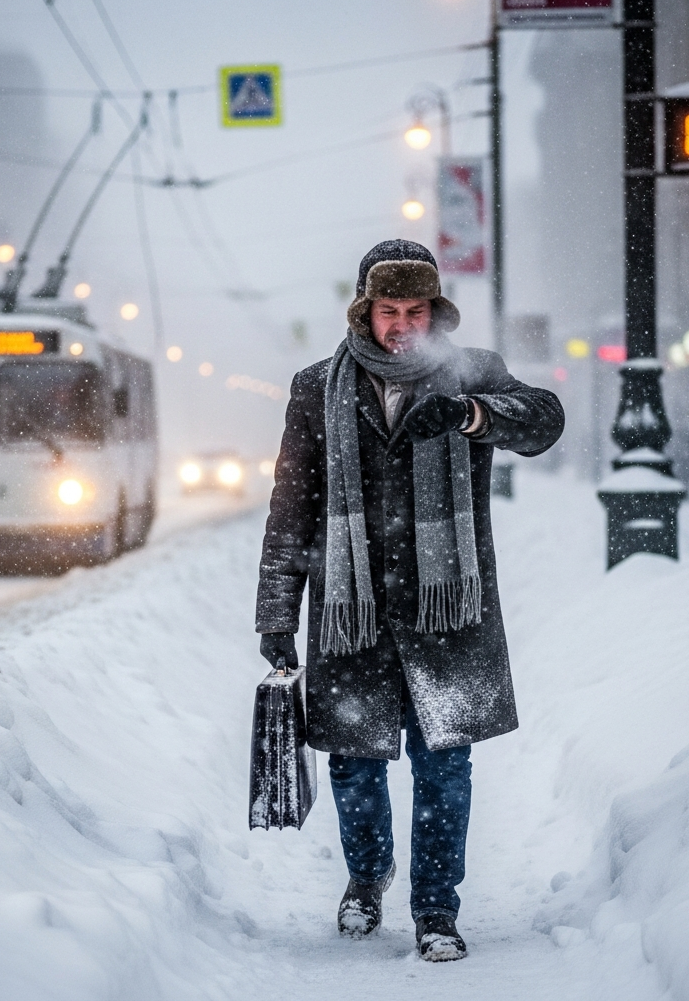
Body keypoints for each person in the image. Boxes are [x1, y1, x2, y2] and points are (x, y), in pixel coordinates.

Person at [255, 240, 564, 962]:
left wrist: (469, 415)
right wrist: (276, 612)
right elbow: (292, 509)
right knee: (354, 760)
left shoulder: (471, 375)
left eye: (415, 310)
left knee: (443, 761)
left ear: (436, 311)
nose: (402, 325)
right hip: (351, 606)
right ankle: (366, 879)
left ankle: (435, 908)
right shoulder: (315, 387)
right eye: (389, 310)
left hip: (443, 609)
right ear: (366, 312)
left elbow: (543, 421)